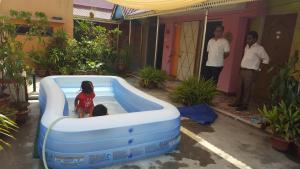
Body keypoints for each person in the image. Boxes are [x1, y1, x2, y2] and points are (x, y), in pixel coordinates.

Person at [230, 31, 270, 111]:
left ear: (255, 39)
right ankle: (237, 102)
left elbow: (266, 59)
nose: (247, 40)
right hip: (243, 70)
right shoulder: (247, 46)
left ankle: (244, 106)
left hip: (251, 71)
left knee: (247, 89)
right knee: (239, 87)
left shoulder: (259, 48)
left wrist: (259, 68)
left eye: (250, 38)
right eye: (247, 38)